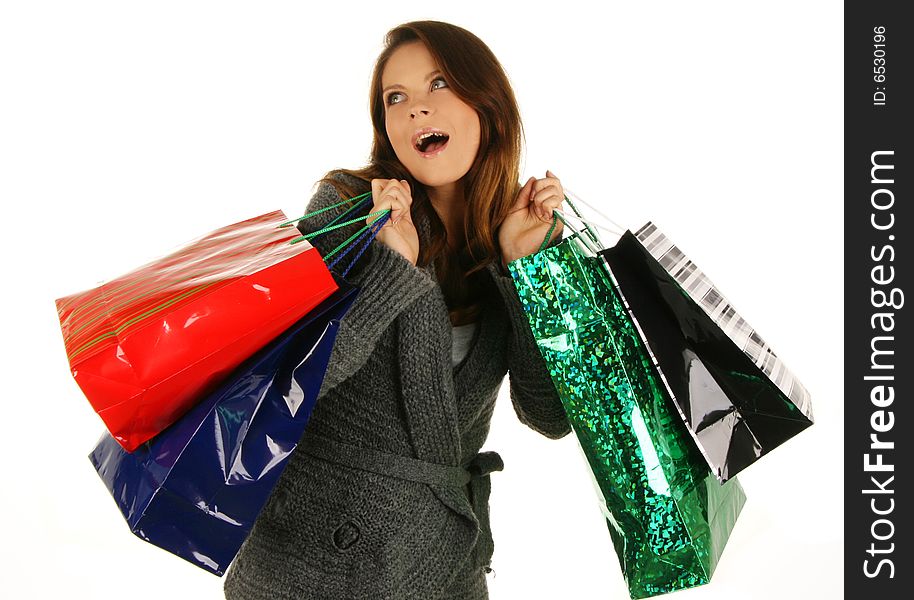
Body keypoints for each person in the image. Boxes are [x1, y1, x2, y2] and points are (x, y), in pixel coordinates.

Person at [224, 20, 570, 600]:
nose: (416, 109)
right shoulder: (347, 207)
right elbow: (286, 387)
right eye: (396, 98)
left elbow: (549, 416)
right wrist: (391, 271)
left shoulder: (516, 231)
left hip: (443, 565)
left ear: (488, 104)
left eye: (438, 85)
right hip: (308, 569)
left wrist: (526, 270)